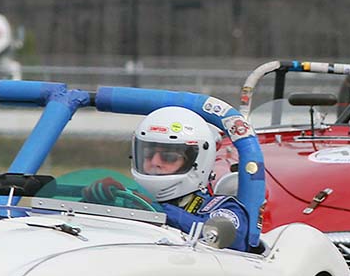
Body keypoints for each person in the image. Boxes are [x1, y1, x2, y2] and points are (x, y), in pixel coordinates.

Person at [82, 106, 251, 252]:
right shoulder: (126, 199)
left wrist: (157, 210)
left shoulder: (221, 209)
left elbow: (233, 243)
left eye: (168, 157)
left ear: (198, 162)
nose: (155, 163)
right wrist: (91, 202)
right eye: (147, 155)